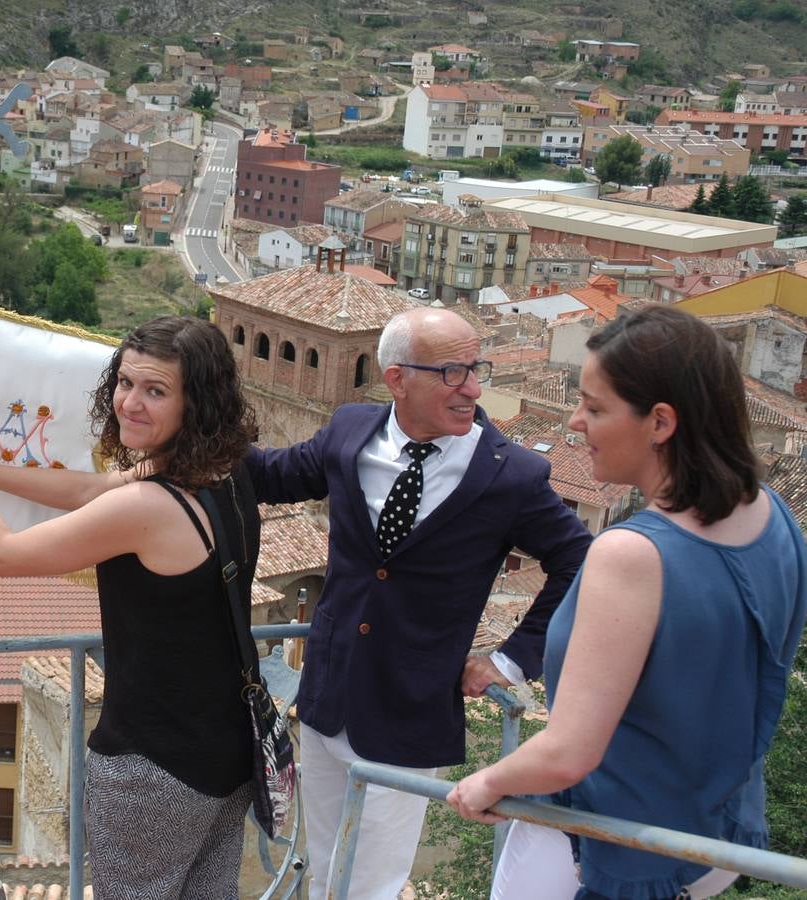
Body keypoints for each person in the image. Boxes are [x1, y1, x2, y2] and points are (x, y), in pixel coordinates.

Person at [447, 306, 807, 899]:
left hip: (613, 840)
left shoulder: (631, 554)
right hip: (711, 835)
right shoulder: (772, 515)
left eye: (594, 407)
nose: (573, 422)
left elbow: (569, 753)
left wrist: (485, 784)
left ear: (660, 422)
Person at [245, 307, 593, 899]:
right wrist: (186, 425)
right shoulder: (350, 432)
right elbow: (271, 475)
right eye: (453, 373)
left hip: (408, 713)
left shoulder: (509, 476)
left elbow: (582, 563)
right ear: (398, 378)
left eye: (476, 369)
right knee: (327, 864)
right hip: (328, 696)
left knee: (373, 883)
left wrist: (511, 661)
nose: (474, 389)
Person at [0, 316, 262, 899]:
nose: (129, 403)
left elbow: (3, 554)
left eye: (155, 391)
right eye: (125, 383)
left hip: (153, 766)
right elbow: (85, 491)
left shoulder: (150, 506)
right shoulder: (222, 472)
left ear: (195, 403)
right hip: (226, 754)